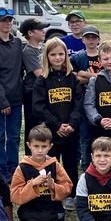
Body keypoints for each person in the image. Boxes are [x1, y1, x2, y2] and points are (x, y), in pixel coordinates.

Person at [32, 37, 82, 210]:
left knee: (70, 164)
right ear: (47, 57)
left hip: (71, 131)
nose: (58, 58)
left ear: (66, 55)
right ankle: (51, 192)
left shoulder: (72, 78)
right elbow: (39, 107)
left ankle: (70, 194)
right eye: (53, 54)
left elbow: (78, 103)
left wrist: (72, 124)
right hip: (51, 132)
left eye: (61, 54)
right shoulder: (42, 80)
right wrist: (56, 125)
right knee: (51, 164)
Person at [10, 124, 73, 221]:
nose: (40, 150)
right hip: (32, 214)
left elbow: (68, 187)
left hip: (53, 212)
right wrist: (33, 184)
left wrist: (53, 186)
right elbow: (15, 196)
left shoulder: (55, 165)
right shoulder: (22, 168)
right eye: (36, 146)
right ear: (29, 145)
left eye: (44, 146)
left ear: (50, 146)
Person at [0, 7, 24, 183]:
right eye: (2, 21)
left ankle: (13, 167)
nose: (7, 23)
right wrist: (2, 101)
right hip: (0, 100)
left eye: (9, 20)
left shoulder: (17, 43)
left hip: (16, 97)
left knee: (14, 135)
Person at [71, 25, 102, 170]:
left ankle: (100, 165)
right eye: (87, 37)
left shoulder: (103, 55)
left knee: (99, 135)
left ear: (98, 39)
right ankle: (85, 166)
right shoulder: (77, 57)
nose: (91, 40)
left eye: (94, 37)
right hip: (83, 101)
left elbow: (107, 77)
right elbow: (75, 79)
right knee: (85, 137)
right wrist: (96, 76)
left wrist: (85, 74)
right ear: (82, 39)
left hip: (101, 101)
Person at [19, 18, 48, 153]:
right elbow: (40, 74)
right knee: (33, 126)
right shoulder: (28, 51)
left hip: (45, 91)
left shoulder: (44, 47)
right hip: (33, 93)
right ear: (30, 33)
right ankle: (30, 155)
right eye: (40, 29)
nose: (43, 31)